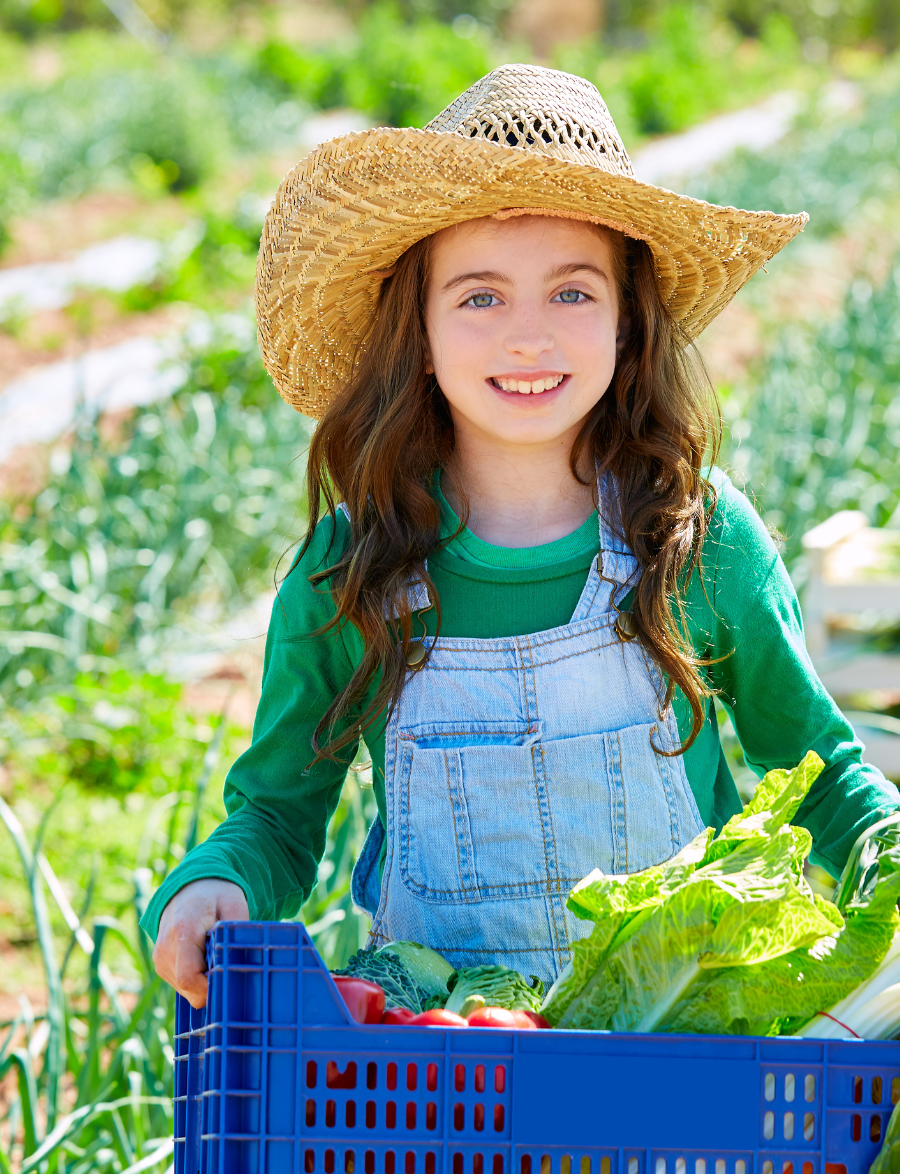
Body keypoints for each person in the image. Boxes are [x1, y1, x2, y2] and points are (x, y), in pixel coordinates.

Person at [143, 64, 900, 1007]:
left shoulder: (698, 541)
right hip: (442, 1088)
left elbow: (820, 774)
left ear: (629, 321)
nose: (529, 338)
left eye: (573, 293)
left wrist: (888, 864)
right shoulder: (353, 572)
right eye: (480, 297)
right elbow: (278, 814)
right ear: (416, 330)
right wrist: (216, 884)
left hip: (681, 1067)